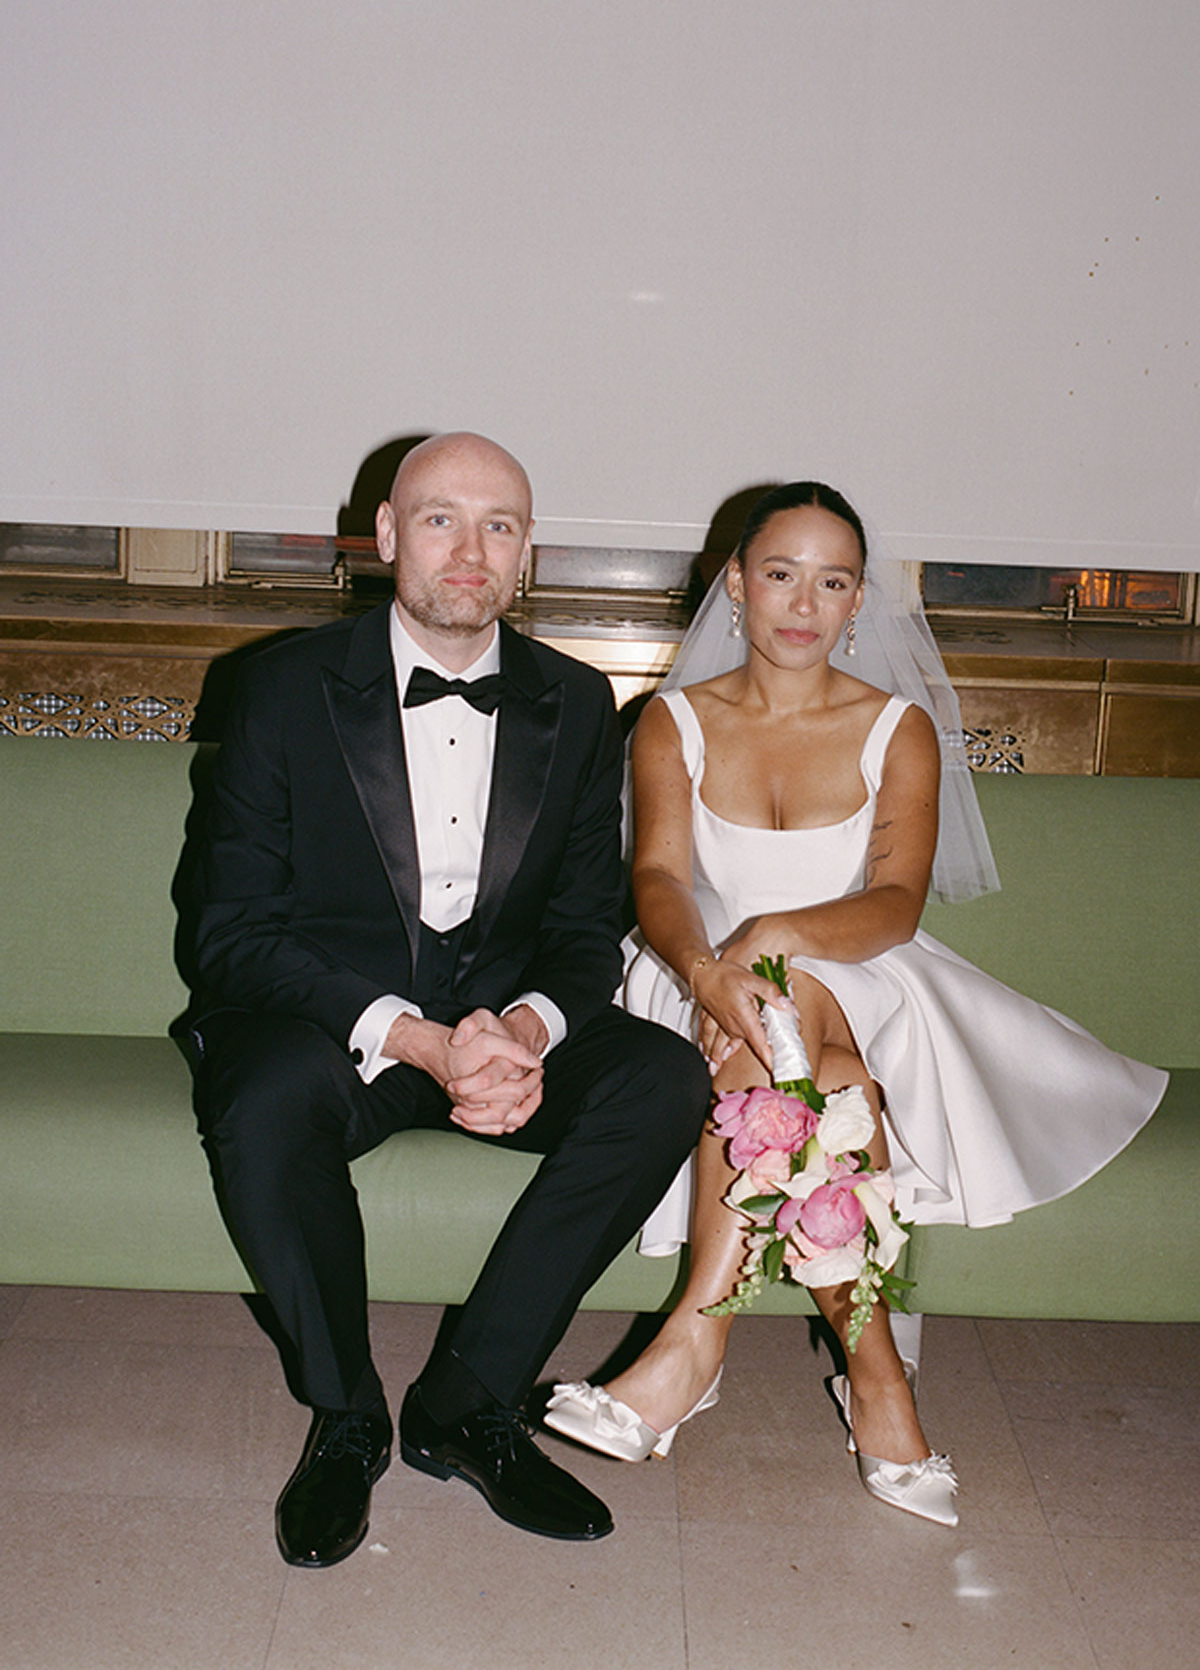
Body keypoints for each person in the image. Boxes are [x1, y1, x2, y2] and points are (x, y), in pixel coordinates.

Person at [544, 480, 1168, 1527]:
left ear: (858, 599)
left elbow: (892, 903)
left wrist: (773, 938)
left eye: (831, 582)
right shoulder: (673, 722)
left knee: (792, 1011)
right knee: (816, 1072)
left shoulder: (897, 728)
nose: (802, 602)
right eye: (780, 573)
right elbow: (656, 880)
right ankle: (876, 1379)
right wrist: (712, 968)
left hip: (866, 970)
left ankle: (694, 1345)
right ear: (734, 584)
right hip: (689, 970)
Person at [188, 432, 710, 1567]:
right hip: (343, 1028)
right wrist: (416, 1038)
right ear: (385, 536)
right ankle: (347, 1418)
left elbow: (582, 933)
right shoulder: (276, 689)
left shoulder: (579, 703)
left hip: (499, 1028)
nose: (469, 551)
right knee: (266, 1098)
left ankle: (466, 1405)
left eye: (500, 525)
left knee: (663, 1077)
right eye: (440, 519)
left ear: (529, 552)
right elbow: (231, 935)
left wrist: (524, 1032)